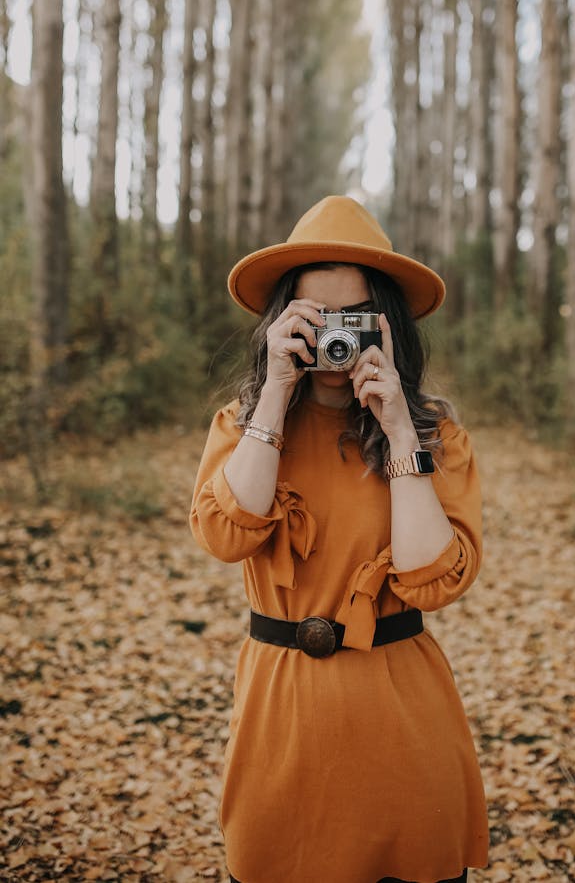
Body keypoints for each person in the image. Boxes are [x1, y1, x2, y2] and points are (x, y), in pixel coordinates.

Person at [190, 195, 489, 883]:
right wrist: (273, 391)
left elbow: (431, 579)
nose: (333, 338)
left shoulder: (436, 438)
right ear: (278, 322)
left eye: (351, 320)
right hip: (279, 730)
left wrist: (400, 435)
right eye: (313, 318)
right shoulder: (242, 426)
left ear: (387, 326)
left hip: (405, 735)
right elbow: (225, 534)